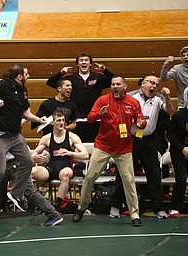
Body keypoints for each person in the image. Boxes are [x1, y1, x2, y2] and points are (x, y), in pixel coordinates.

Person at [0, 64, 47, 222]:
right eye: (27, 74)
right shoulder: (3, 84)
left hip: (14, 135)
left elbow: (25, 113)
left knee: (28, 161)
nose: (29, 77)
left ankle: (15, 194)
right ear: (20, 76)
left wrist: (38, 119)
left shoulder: (22, 91)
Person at [72, 75, 146, 226]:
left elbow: (141, 120)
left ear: (124, 87)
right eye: (113, 84)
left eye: (118, 84)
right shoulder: (102, 100)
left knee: (129, 180)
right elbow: (90, 118)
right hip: (103, 146)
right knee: (90, 177)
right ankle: (81, 207)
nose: (115, 86)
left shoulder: (133, 102)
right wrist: (99, 114)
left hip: (124, 148)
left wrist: (141, 123)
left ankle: (135, 214)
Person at [109, 75, 174, 219]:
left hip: (149, 140)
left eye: (156, 85)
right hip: (130, 139)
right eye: (151, 83)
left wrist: (168, 97)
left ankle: (159, 209)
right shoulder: (131, 96)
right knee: (124, 173)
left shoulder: (158, 98)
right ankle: (115, 206)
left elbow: (169, 110)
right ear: (143, 84)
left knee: (154, 174)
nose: (154, 86)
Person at [46, 52, 115, 142]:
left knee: (95, 147)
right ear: (77, 64)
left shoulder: (98, 77)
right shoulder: (70, 77)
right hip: (77, 119)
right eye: (81, 60)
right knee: (78, 147)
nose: (84, 62)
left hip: (95, 119)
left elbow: (116, 81)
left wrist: (105, 70)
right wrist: (60, 73)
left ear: (90, 64)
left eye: (86, 60)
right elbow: (50, 82)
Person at [31, 110, 89, 211]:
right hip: (51, 168)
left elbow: (85, 155)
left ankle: (58, 204)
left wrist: (70, 153)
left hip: (66, 167)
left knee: (65, 174)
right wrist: (35, 157)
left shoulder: (72, 137)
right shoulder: (47, 138)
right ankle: (32, 201)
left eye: (63, 120)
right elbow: (34, 154)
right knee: (32, 172)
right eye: (58, 120)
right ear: (53, 123)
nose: (62, 123)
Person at [166, 87, 188, 218]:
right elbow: (170, 135)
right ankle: (175, 207)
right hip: (178, 150)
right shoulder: (179, 115)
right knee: (181, 178)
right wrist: (182, 148)